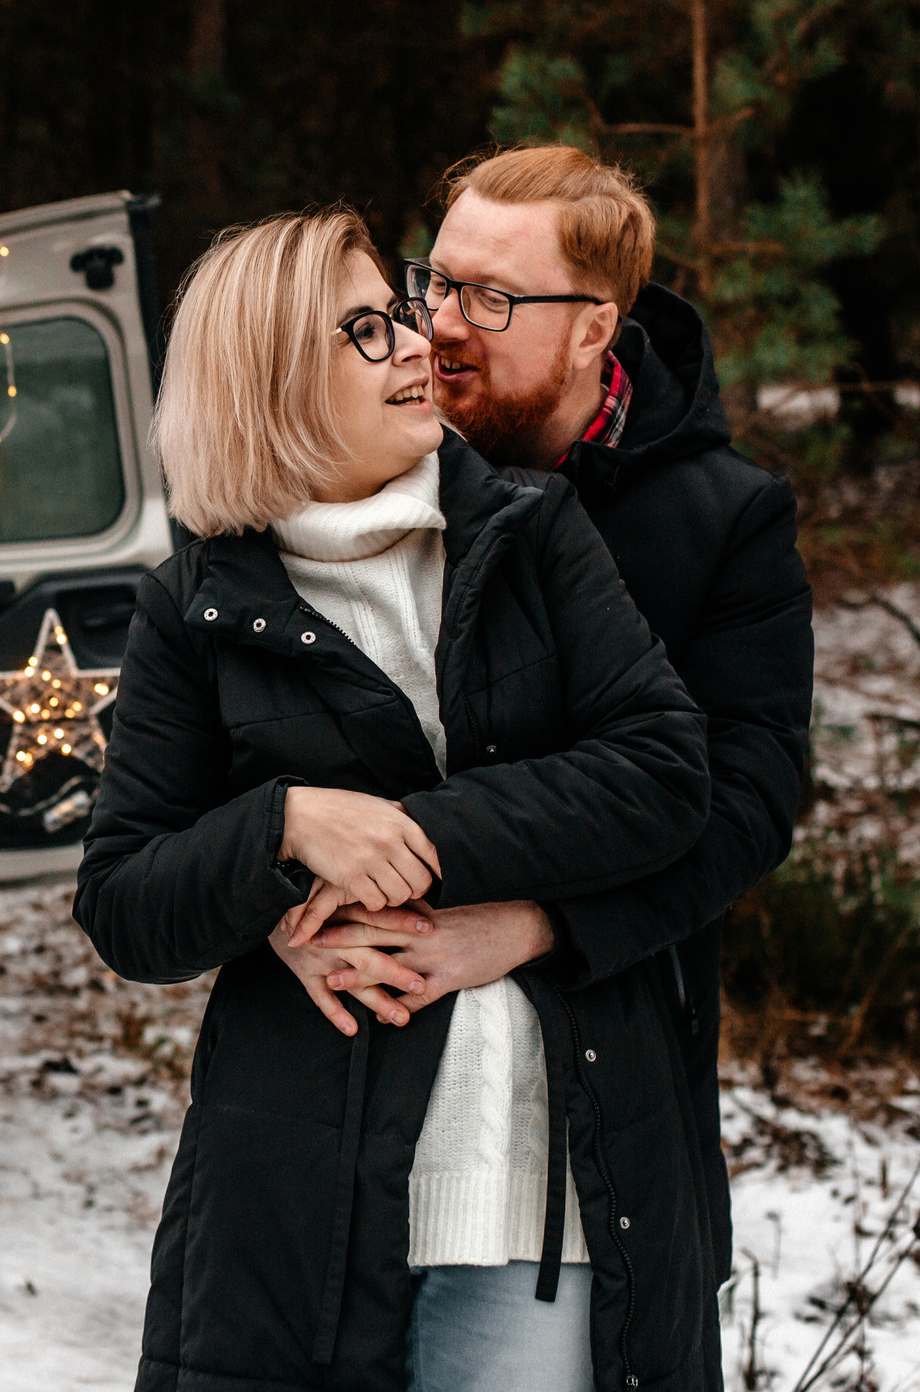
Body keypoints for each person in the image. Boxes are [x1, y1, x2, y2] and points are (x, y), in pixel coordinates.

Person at [74, 207, 716, 1392]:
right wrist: (282, 833)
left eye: (400, 311)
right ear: (270, 376)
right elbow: (124, 900)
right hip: (297, 1204)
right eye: (366, 330)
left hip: (538, 1187)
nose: (420, 344)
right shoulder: (194, 608)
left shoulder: (532, 535)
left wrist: (405, 840)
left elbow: (664, 774)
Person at [281, 146, 816, 1388]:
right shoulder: (366, 467)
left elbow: (741, 808)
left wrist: (534, 925)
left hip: (590, 1084)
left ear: (597, 331)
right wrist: (278, 871)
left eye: (495, 300)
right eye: (438, 283)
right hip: (343, 1078)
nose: (442, 326)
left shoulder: (721, 522)